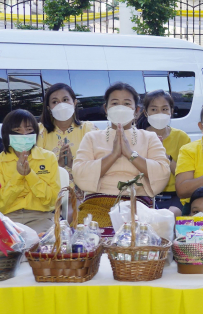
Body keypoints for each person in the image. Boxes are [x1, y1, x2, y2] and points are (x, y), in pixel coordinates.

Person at [72, 82, 171, 229]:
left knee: (137, 235)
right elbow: (79, 174)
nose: (120, 107)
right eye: (115, 103)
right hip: (96, 204)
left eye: (126, 103)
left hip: (138, 205)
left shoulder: (150, 137)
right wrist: (113, 155)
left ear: (136, 110)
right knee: (92, 236)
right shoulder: (91, 137)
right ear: (106, 109)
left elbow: (162, 173)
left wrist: (130, 154)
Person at [0, 110, 60, 232]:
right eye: (17, 131)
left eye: (29, 130)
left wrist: (30, 175)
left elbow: (52, 200)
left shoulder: (48, 158)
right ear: (7, 134)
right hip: (8, 219)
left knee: (37, 241)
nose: (24, 134)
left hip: (41, 217)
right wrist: (18, 176)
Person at [37, 83, 96, 199]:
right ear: (49, 108)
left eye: (65, 100)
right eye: (55, 102)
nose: (61, 105)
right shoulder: (40, 131)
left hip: (83, 195)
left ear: (74, 103)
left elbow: (98, 165)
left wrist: (72, 164)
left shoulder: (88, 129)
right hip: (48, 194)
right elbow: (34, 168)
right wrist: (57, 165)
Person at [142, 90, 190, 214]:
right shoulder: (139, 136)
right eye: (154, 110)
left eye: (164, 109)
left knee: (170, 216)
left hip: (175, 194)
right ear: (145, 113)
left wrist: (164, 155)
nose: (159, 114)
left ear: (171, 111)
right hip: (145, 194)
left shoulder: (181, 137)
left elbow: (183, 175)